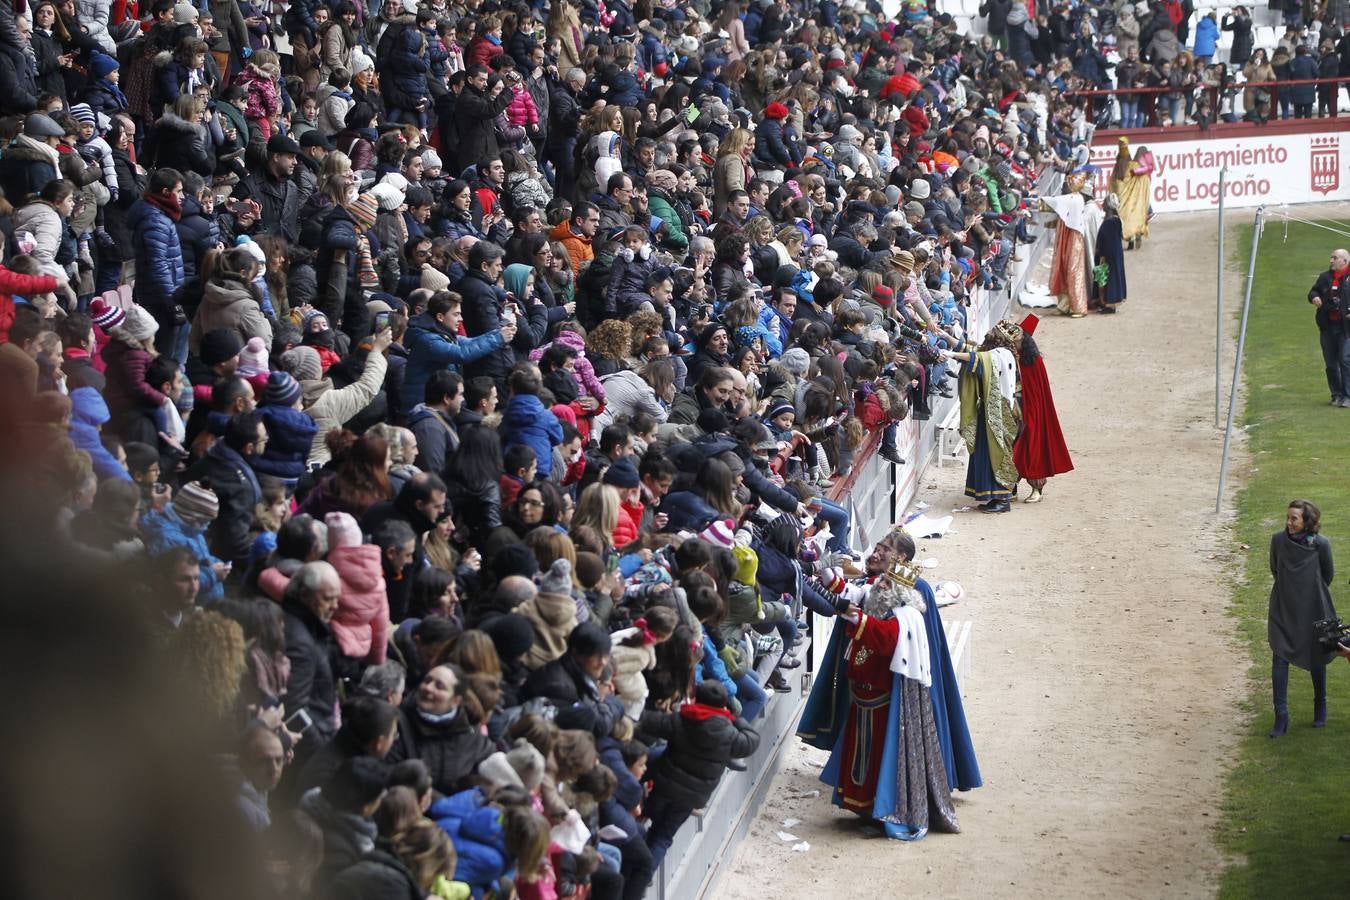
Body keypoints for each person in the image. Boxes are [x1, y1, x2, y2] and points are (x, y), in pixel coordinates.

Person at [798, 528, 977, 840]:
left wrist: (856, 618)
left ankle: (884, 812)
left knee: (884, 753)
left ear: (901, 559)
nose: (875, 553)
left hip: (890, 694)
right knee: (864, 751)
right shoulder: (880, 584)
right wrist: (824, 565)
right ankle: (864, 808)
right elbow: (854, 594)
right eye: (877, 547)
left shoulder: (909, 591)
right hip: (864, 689)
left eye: (884, 549)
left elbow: (889, 636)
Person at [1267, 500, 1337, 737]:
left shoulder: (1321, 544)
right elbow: (1275, 568)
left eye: (1294, 519)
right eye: (1287, 517)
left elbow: (1327, 575)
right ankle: (1281, 717)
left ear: (1307, 521)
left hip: (1314, 608)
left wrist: (1308, 592)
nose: (1289, 523)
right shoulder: (1278, 540)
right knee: (1279, 657)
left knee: (1317, 656)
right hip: (1284, 608)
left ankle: (1320, 705)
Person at [945, 323, 1021, 513]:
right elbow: (970, 350)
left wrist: (950, 355)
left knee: (994, 454)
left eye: (993, 331)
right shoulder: (995, 352)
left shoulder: (1000, 355)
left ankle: (1002, 499)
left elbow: (976, 358)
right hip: (989, 412)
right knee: (985, 453)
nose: (989, 332)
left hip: (998, 413)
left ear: (1000, 337)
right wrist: (944, 336)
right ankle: (992, 496)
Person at [1008, 315, 1073, 504]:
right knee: (1009, 447)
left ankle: (1037, 488)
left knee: (1031, 449)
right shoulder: (1011, 357)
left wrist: (1031, 415)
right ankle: (1011, 487)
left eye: (1017, 335)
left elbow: (1037, 392)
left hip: (1029, 410)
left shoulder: (1033, 361)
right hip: (1013, 409)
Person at [1307, 248, 1350, 407]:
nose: (1331, 260)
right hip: (1327, 326)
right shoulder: (1325, 277)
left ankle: (1348, 396)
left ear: (1344, 261)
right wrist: (1315, 297)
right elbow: (1313, 291)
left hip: (1346, 328)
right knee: (1331, 363)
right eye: (1331, 257)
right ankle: (1336, 394)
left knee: (1345, 360)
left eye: (1335, 258)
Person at [1094, 195, 1127, 314]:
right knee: (1114, 276)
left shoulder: (1109, 223)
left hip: (1109, 255)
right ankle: (1111, 302)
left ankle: (1109, 303)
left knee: (1107, 278)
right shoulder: (1116, 220)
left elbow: (1105, 241)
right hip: (1116, 253)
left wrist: (1101, 253)